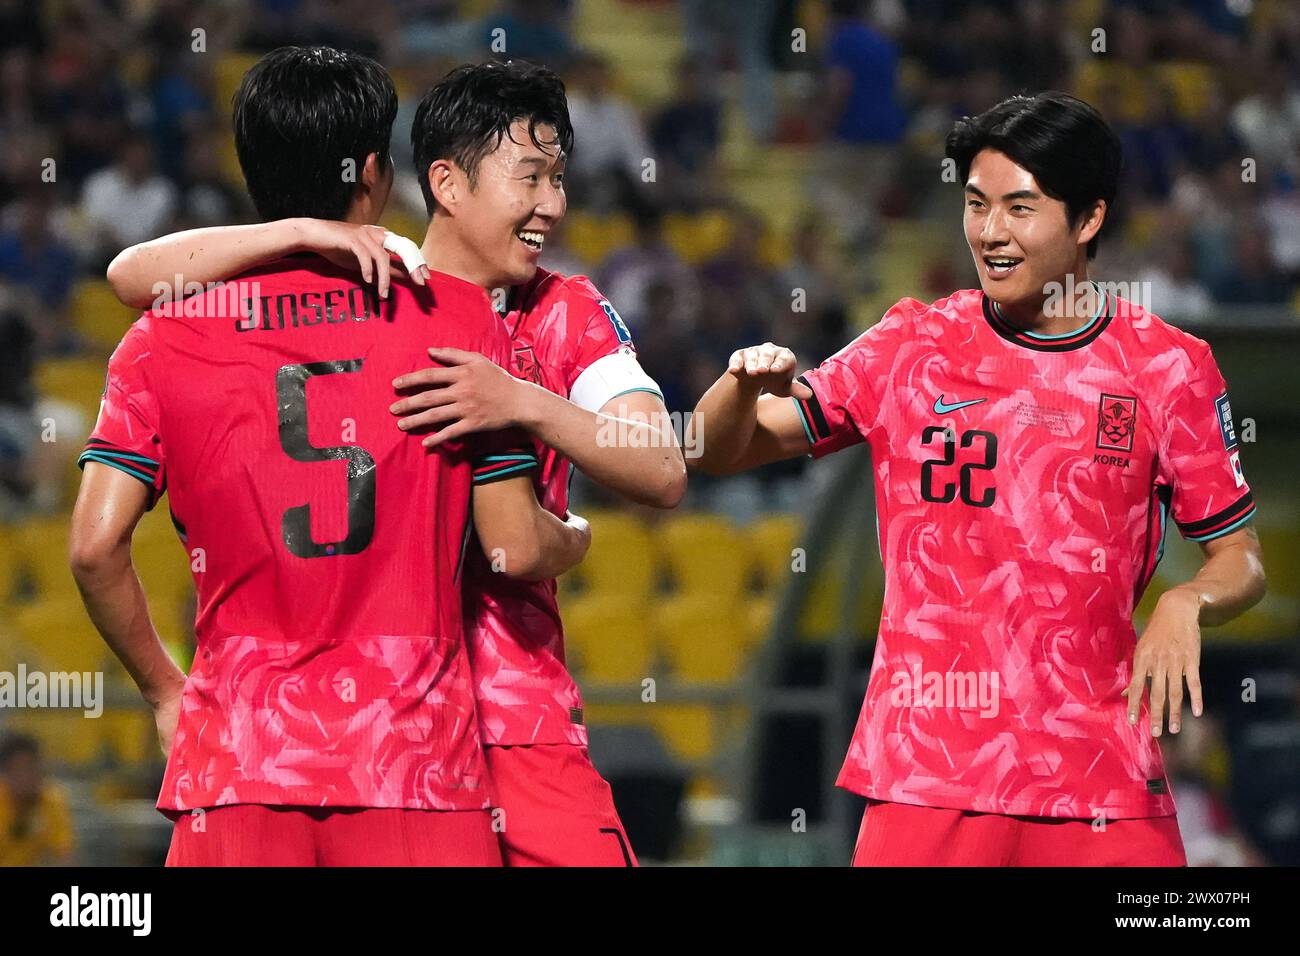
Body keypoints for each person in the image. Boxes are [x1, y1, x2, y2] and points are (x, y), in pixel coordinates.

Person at [105, 58, 686, 866]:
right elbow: (132, 275)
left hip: (514, 719)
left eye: (561, 179)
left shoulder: (569, 311)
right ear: (446, 182)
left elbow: (660, 468)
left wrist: (522, 400)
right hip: (401, 742)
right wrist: (305, 231)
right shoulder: (384, 284)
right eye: (532, 178)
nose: (553, 205)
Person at [690, 91, 1267, 866]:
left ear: (1088, 219)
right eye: (975, 205)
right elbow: (717, 448)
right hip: (929, 775)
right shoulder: (910, 345)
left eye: (1020, 208)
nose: (991, 233)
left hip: (1102, 783)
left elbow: (1243, 558)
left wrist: (1189, 601)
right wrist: (737, 384)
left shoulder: (1170, 367)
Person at [0, 734, 75, 866]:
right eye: (22, 770)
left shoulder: (51, 801)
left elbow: (64, 852)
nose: (30, 778)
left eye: (35, 768)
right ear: (6, 773)